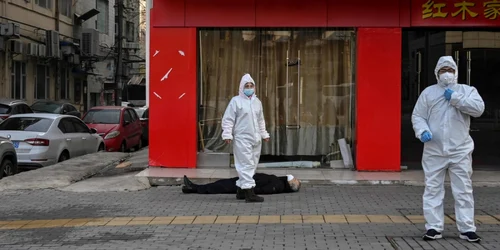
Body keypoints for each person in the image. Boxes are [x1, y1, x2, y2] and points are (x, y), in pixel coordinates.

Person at [412, 56, 485, 242]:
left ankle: (467, 228)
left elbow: (478, 109)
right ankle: (433, 228)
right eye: (443, 70)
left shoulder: (466, 91)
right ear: (437, 72)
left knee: (463, 190)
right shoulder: (428, 93)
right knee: (432, 189)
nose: (446, 73)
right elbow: (418, 116)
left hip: (460, 150)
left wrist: (455, 98)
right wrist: (422, 131)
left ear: (456, 72)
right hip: (434, 150)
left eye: (450, 69)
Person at [221, 73, 270, 203]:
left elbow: (260, 120)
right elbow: (228, 119)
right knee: (246, 165)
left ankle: (241, 190)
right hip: (242, 138)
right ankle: (249, 193)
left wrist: (264, 134)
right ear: (241, 87)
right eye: (246, 86)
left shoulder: (257, 102)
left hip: (256, 138)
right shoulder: (236, 101)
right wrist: (227, 134)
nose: (249, 88)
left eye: (251, 85)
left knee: (252, 164)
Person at [181, 173, 301, 196]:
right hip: (246, 179)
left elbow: (262, 190)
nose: (296, 178)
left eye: (296, 180)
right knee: (220, 184)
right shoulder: (279, 181)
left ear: (291, 184)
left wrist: (246, 189)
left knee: (219, 187)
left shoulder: (278, 185)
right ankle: (193, 187)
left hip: (245, 184)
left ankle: (193, 188)